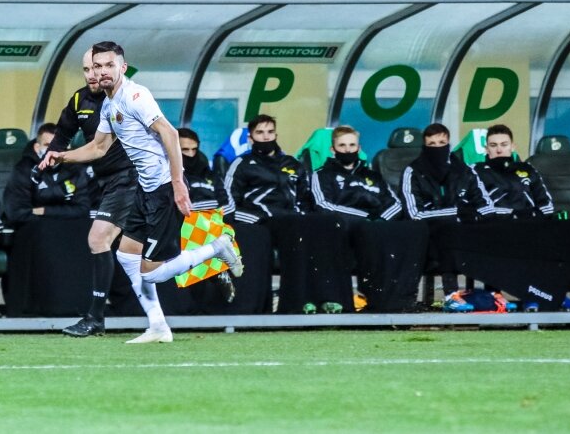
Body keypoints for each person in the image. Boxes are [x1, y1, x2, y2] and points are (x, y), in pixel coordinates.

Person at [39, 41, 242, 343]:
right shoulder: (109, 105)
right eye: (95, 66)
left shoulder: (135, 96)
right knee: (126, 255)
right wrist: (62, 156)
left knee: (151, 272)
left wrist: (177, 183)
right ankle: (158, 327)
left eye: (108, 65)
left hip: (161, 189)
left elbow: (170, 132)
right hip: (144, 190)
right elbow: (98, 147)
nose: (100, 72)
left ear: (122, 67)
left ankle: (218, 247)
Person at [48, 49, 140, 336]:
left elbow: (98, 148)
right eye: (87, 69)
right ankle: (212, 253)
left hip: (132, 178)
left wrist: (175, 177)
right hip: (109, 182)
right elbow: (63, 133)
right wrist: (52, 154)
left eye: (99, 67)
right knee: (145, 258)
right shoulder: (79, 100)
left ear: (115, 68)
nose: (93, 74)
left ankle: (95, 318)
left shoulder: (127, 98)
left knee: (99, 239)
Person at [226, 114, 353, 314]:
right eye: (260, 133)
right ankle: (297, 303)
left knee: (329, 223)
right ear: (250, 138)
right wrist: (256, 218)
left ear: (276, 135)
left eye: (270, 132)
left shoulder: (292, 163)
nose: (266, 137)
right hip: (263, 221)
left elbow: (306, 198)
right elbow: (228, 202)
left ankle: (330, 298)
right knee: (297, 227)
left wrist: (304, 215)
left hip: (294, 218)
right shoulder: (241, 164)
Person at [311, 125, 428, 312]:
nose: (348, 150)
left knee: (414, 229)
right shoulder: (322, 175)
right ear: (333, 149)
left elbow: (395, 204)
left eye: (352, 145)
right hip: (347, 229)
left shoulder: (373, 176)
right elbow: (324, 205)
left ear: (359, 148)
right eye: (342, 146)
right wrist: (366, 218)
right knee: (369, 232)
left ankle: (402, 300)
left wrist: (380, 221)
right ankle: (372, 299)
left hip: (378, 227)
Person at [2, 123, 94, 316]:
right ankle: (43, 306)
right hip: (32, 229)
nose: (54, 152)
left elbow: (83, 208)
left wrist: (43, 210)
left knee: (86, 231)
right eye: (48, 146)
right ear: (37, 147)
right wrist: (60, 211)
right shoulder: (23, 169)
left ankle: (79, 305)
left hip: (69, 227)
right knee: (44, 233)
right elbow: (17, 212)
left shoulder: (76, 169)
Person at [401, 123, 494, 313]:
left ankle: (494, 295)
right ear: (425, 146)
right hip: (429, 233)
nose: (437, 148)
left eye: (441, 143)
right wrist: (454, 214)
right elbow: (414, 214)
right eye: (432, 144)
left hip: (465, 230)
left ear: (449, 143)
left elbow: (486, 205)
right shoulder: (413, 172)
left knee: (496, 233)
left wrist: (472, 218)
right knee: (447, 233)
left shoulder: (464, 170)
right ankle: (451, 296)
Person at [474, 124, 567, 312]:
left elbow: (546, 204)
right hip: (496, 226)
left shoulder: (527, 169)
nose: (499, 150)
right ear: (486, 148)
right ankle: (512, 296)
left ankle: (545, 295)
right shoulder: (476, 171)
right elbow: (479, 207)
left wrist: (532, 216)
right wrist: (512, 215)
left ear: (512, 146)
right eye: (493, 145)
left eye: (504, 144)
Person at [178, 127, 236, 307]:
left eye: (194, 149)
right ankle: (218, 272)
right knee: (194, 225)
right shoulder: (171, 175)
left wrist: (208, 212)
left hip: (214, 223)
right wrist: (208, 209)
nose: (190, 154)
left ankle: (218, 273)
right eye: (185, 150)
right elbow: (178, 205)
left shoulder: (211, 174)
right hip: (185, 223)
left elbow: (229, 204)